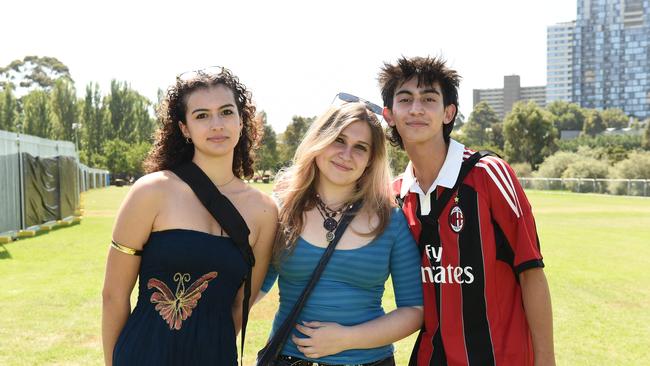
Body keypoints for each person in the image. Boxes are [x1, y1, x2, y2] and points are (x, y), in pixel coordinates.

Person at [378, 56, 555, 366]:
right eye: (405, 99)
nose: (416, 108)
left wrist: (546, 360)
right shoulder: (395, 197)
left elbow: (531, 273)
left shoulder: (488, 174)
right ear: (390, 115)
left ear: (449, 113)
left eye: (428, 99)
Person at [101, 66, 277, 365]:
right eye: (201, 115)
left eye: (226, 112)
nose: (216, 124)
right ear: (184, 128)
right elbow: (114, 297)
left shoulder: (264, 211)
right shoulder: (152, 192)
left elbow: (239, 306)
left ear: (241, 120)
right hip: (143, 355)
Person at [258, 100, 424, 366]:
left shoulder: (391, 220)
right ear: (319, 141)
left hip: (369, 362)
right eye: (338, 140)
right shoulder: (282, 212)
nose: (346, 154)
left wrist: (347, 338)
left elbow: (414, 310)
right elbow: (252, 290)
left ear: (371, 160)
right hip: (287, 359)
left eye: (360, 148)